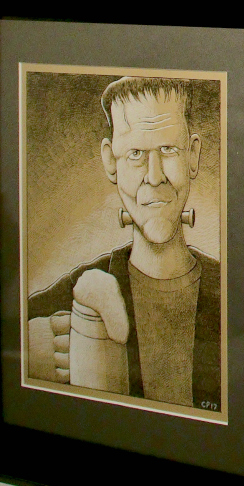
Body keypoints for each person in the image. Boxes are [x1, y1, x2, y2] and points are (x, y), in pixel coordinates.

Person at [26, 76, 220, 411]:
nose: (154, 176)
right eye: (135, 154)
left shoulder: (232, 290)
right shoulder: (71, 293)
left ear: (193, 155)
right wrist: (24, 353)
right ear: (110, 162)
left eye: (168, 150)